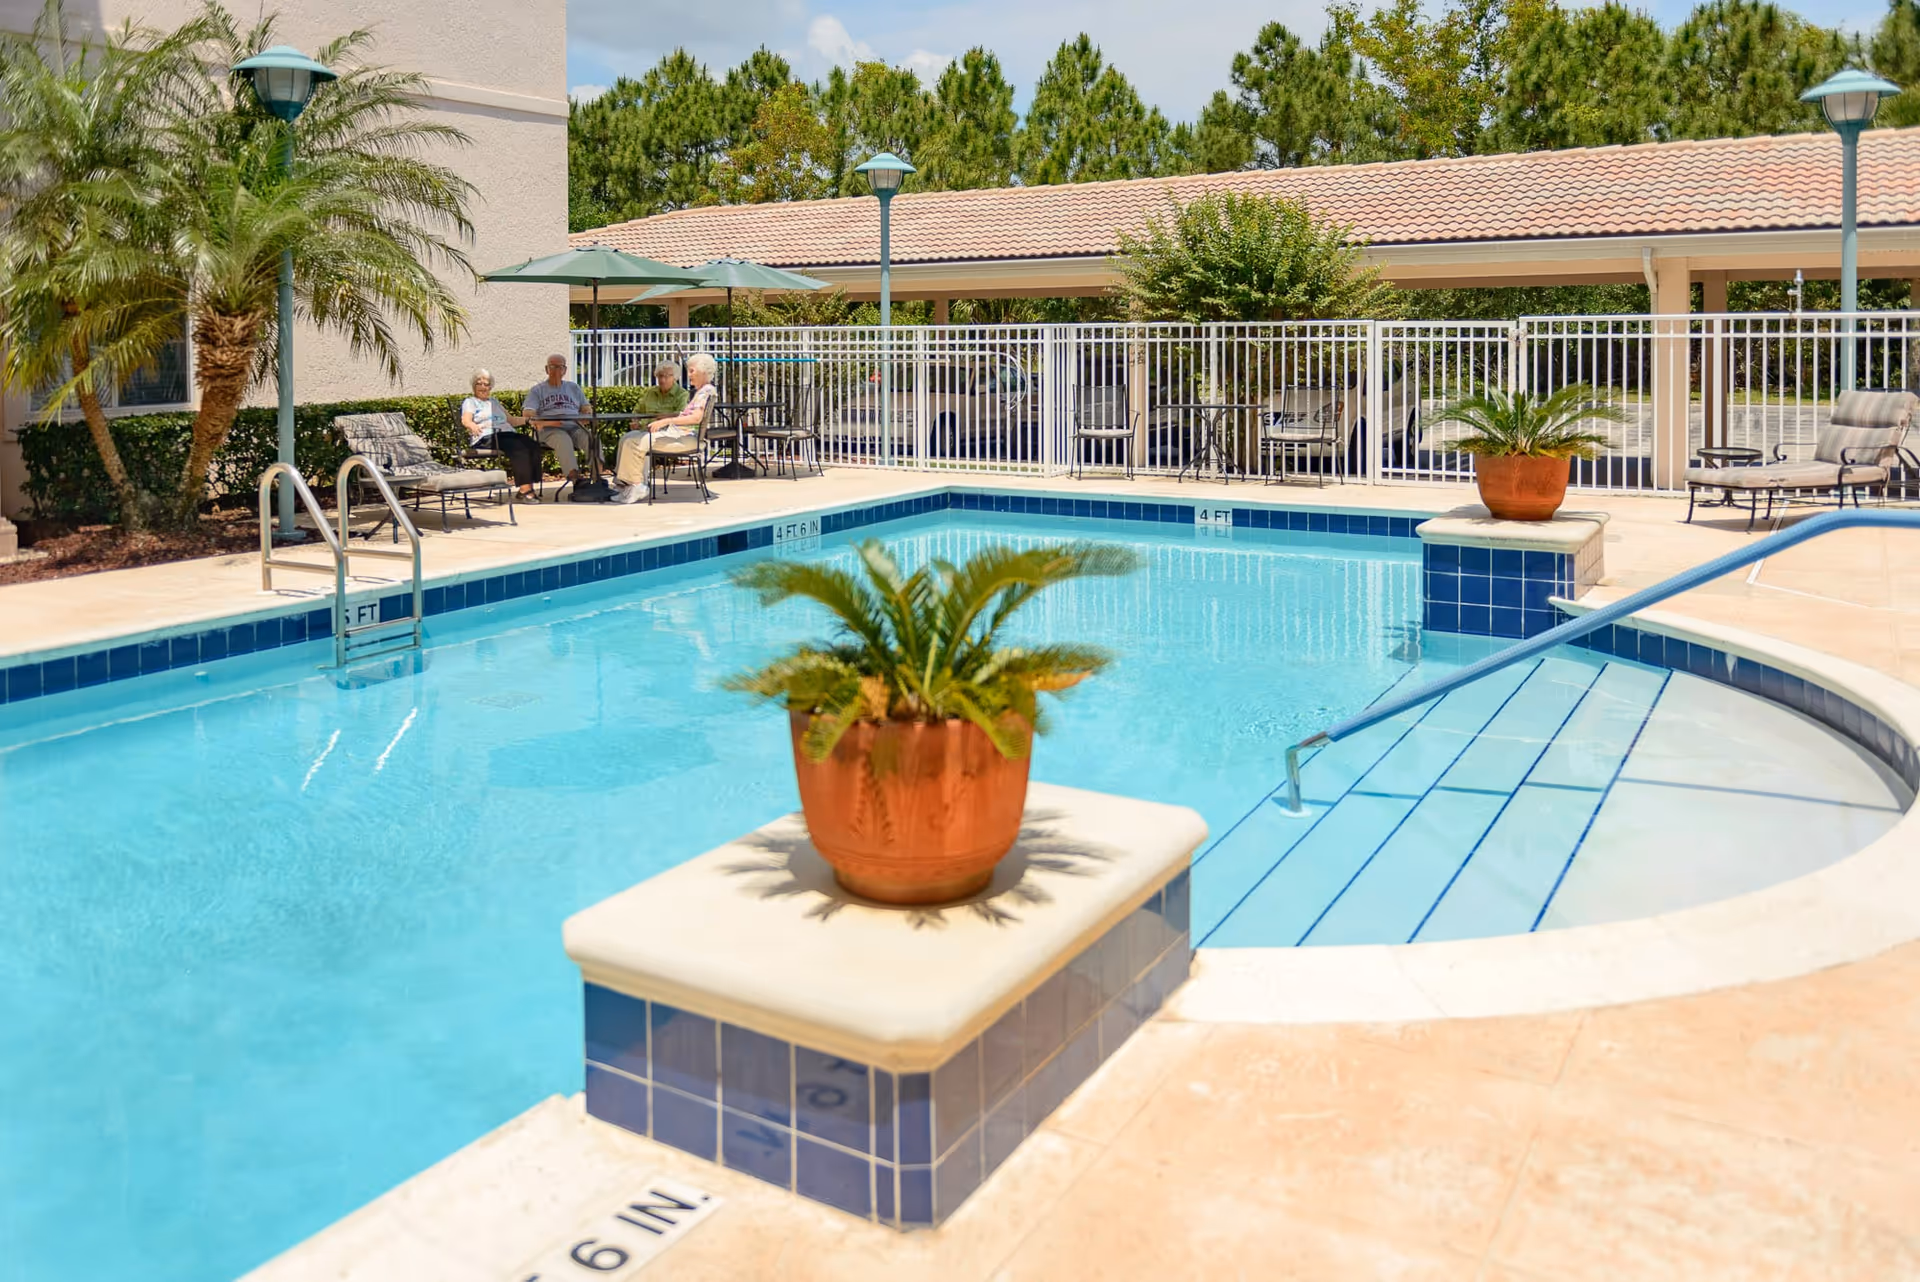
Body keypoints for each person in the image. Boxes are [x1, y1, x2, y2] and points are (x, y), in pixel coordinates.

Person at [613, 353, 719, 504]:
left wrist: (665, 421)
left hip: (685, 438)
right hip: (680, 435)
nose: (688, 375)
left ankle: (637, 485)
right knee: (630, 437)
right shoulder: (703, 391)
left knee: (634, 442)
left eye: (692, 371)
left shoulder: (706, 391)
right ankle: (627, 485)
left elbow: (696, 418)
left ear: (703, 371)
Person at [460, 369, 544, 501]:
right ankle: (525, 490)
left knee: (531, 443)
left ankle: (529, 485)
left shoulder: (494, 402)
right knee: (518, 447)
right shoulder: (470, 402)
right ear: (473, 386)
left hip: (506, 434)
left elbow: (512, 421)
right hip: (486, 437)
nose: (483, 387)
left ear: (491, 387)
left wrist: (529, 420)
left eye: (486, 384)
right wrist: (472, 425)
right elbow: (466, 419)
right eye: (479, 383)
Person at [523, 353, 594, 481]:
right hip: (548, 429)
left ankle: (598, 476)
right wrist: (547, 422)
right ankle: (575, 478)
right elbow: (528, 413)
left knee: (591, 438)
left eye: (560, 367)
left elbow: (586, 407)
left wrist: (586, 414)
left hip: (574, 426)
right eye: (552, 367)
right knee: (563, 439)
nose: (556, 370)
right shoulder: (537, 390)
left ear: (565, 370)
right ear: (546, 369)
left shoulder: (574, 388)